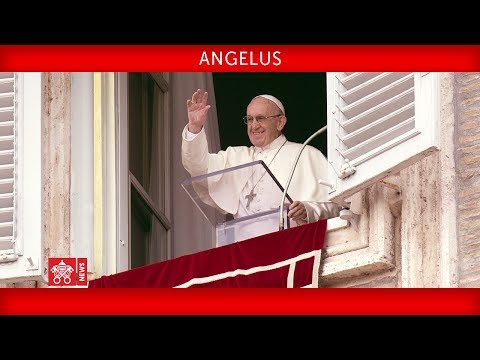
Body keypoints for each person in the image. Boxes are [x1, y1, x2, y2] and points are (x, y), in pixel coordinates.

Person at [181, 89, 341, 242]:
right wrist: (195, 128)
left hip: (292, 246)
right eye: (249, 119)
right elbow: (198, 168)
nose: (254, 125)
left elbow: (338, 206)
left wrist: (308, 210)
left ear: (280, 122)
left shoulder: (306, 154)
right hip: (244, 252)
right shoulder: (236, 157)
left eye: (261, 118)